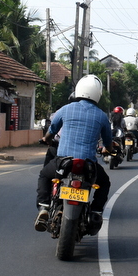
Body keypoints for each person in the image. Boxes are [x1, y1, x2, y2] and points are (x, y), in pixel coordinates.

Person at [34, 75, 113, 232]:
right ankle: (96, 211)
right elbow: (108, 143)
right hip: (88, 165)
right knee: (104, 183)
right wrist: (107, 149)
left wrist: (46, 139)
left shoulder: (65, 109)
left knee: (44, 175)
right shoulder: (102, 116)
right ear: (98, 93)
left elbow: (52, 130)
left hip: (63, 161)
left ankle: (44, 207)